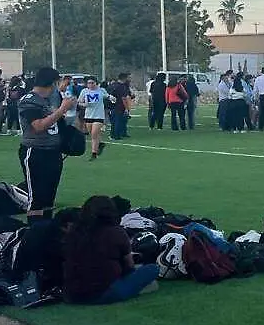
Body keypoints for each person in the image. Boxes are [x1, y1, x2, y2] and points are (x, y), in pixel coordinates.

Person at [62, 196, 160, 305]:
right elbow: (129, 266)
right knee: (152, 269)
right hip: (104, 293)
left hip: (72, 294)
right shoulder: (116, 232)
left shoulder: (74, 232)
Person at [17, 67, 76, 220]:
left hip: (53, 151)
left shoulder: (52, 98)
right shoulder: (29, 99)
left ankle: (47, 230)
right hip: (35, 151)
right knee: (37, 197)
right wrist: (62, 110)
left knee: (50, 196)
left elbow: (59, 122)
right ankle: (35, 231)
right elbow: (38, 126)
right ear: (52, 82)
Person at [77, 77, 116, 159]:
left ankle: (94, 153)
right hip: (88, 115)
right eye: (89, 83)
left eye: (92, 83)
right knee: (92, 134)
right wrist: (84, 104)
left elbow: (108, 96)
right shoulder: (84, 91)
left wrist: (112, 98)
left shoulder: (101, 90)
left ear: (96, 83)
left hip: (99, 115)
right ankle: (100, 144)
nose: (90, 85)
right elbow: (79, 102)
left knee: (94, 134)